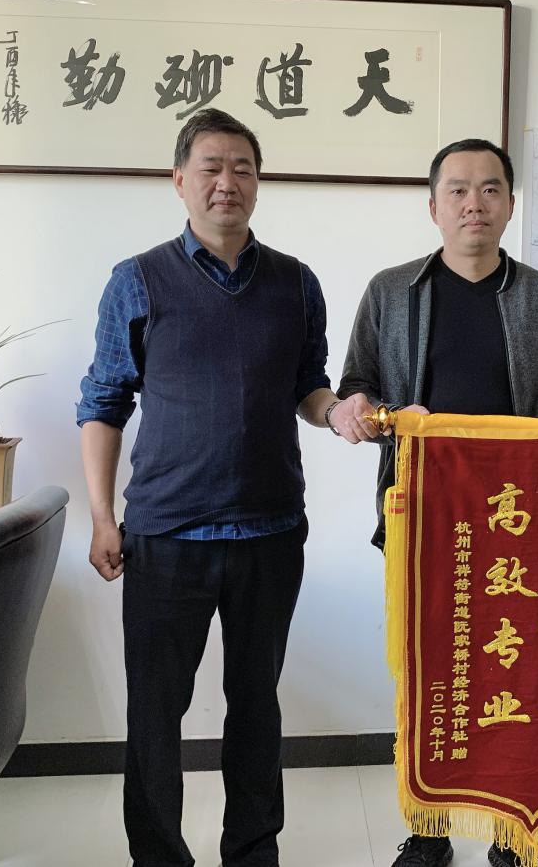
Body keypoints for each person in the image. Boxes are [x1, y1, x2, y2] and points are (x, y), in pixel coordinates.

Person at [77, 108, 343, 867]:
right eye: (211, 168)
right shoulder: (137, 280)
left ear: (258, 182)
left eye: (243, 169)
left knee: (256, 705)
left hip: (270, 530)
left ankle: (253, 852)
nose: (228, 182)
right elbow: (102, 404)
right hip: (165, 534)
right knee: (155, 714)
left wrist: (339, 413)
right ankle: (159, 856)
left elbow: (309, 388)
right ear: (179, 181)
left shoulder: (296, 283)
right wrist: (102, 516)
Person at [335, 138, 538, 867]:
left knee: (519, 672)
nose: (473, 203)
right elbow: (356, 385)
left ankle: (515, 831)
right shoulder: (392, 292)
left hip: (520, 521)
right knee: (427, 674)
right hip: (423, 515)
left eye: (489, 189)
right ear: (433, 207)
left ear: (510, 204)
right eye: (457, 190)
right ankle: (429, 827)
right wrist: (366, 411)